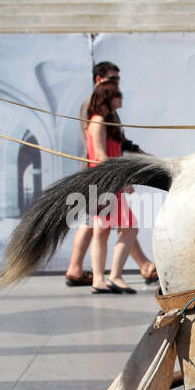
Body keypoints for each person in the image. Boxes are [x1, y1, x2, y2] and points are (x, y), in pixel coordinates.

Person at [64, 61, 156, 286]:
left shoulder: (108, 111)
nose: (118, 86)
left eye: (118, 80)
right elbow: (99, 149)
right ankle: (131, 269)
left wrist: (143, 156)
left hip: (104, 173)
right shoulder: (96, 108)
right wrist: (118, 178)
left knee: (101, 225)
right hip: (99, 174)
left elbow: (120, 140)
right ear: (100, 81)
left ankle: (83, 272)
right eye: (113, 80)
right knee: (107, 224)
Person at [85, 81, 142, 293]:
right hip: (105, 182)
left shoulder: (106, 121)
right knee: (128, 227)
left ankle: (100, 279)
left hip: (103, 181)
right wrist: (122, 180)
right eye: (117, 94)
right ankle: (113, 276)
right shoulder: (99, 121)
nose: (121, 98)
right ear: (107, 97)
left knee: (103, 231)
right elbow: (100, 155)